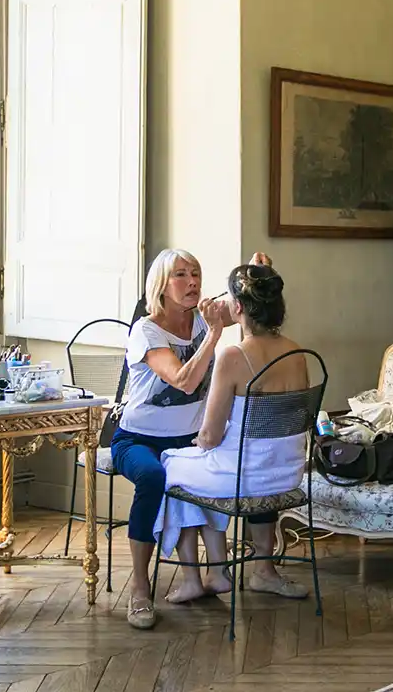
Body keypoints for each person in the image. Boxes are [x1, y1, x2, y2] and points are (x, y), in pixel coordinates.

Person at [152, 259, 313, 600]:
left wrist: (200, 440)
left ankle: (200, 578)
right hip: (287, 474)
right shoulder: (299, 353)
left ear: (237, 307)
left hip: (243, 477)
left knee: (172, 465)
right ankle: (264, 572)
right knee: (223, 462)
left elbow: (209, 437)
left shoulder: (232, 356)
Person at [113, 248, 226, 630]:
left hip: (186, 441)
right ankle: (141, 589)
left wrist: (259, 271)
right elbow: (183, 380)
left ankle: (216, 574)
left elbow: (246, 302)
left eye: (196, 273)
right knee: (152, 478)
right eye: (181, 275)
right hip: (137, 440)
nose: (192, 281)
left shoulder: (201, 318)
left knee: (229, 459)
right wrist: (212, 334)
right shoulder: (146, 330)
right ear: (162, 285)